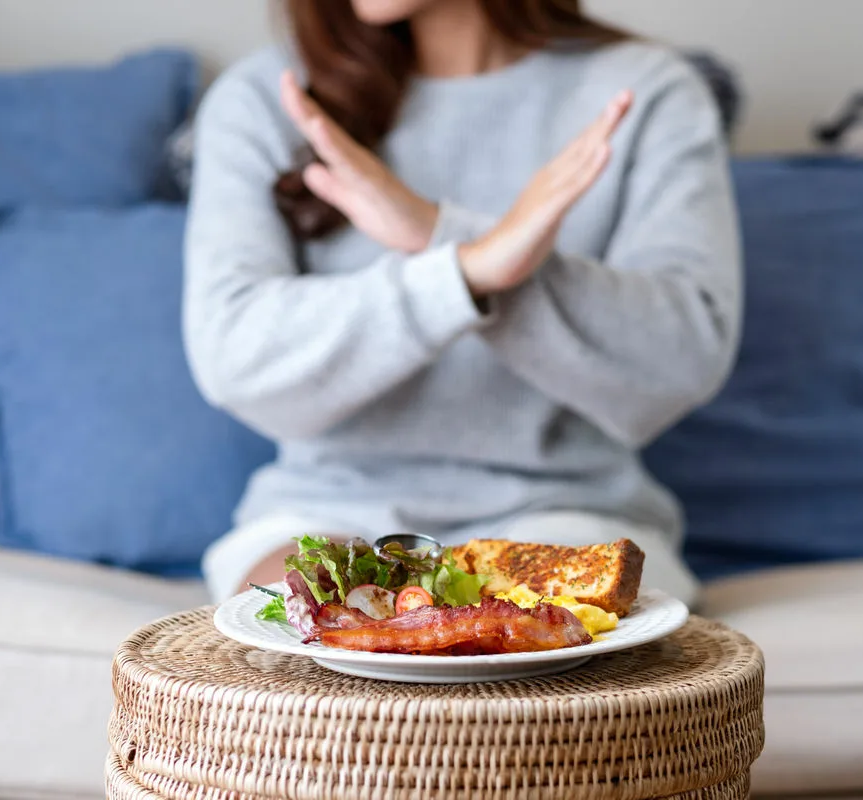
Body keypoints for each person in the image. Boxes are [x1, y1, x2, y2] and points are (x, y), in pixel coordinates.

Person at [184, 0, 742, 606]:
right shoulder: (265, 99)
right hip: (318, 511)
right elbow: (233, 357)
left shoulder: (646, 93)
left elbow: (683, 359)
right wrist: (462, 269)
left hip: (570, 511)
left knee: (531, 669)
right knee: (293, 635)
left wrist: (435, 232)